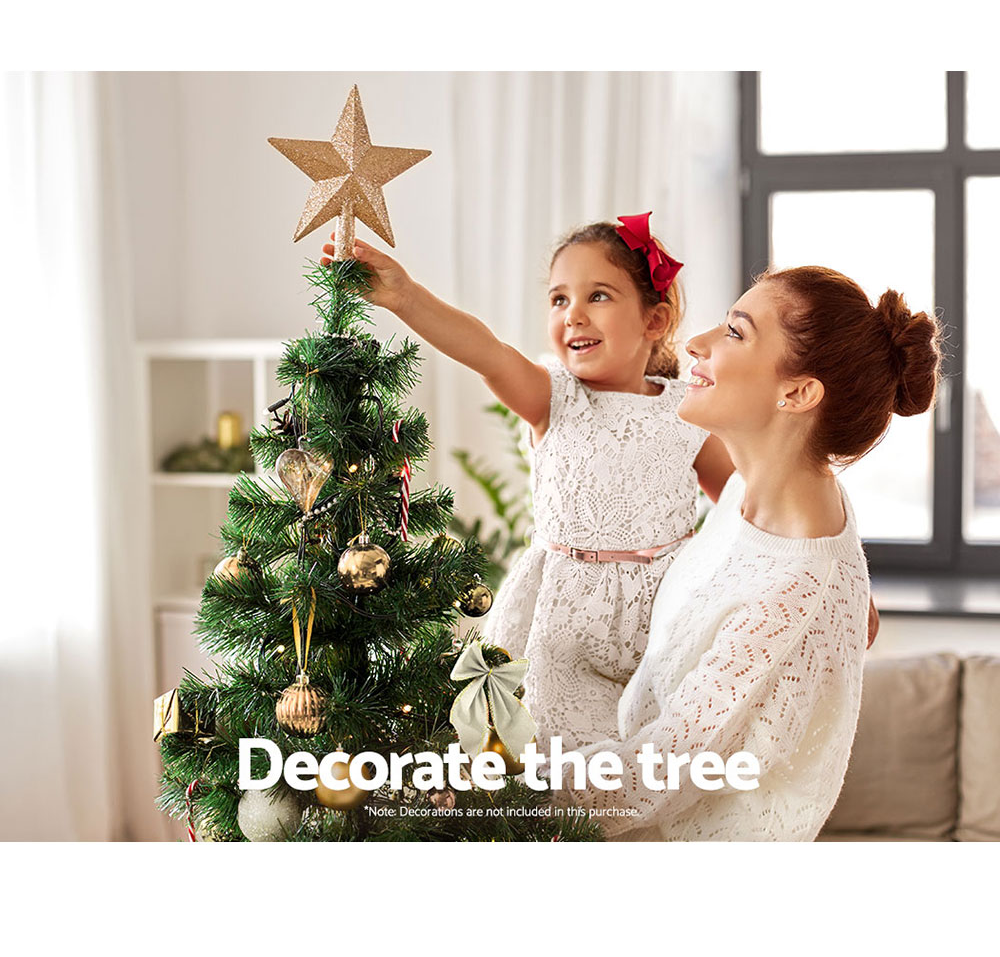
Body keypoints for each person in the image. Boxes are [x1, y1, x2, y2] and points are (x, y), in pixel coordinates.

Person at [551, 266, 941, 841]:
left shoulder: (794, 591)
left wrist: (486, 779)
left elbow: (647, 779)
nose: (695, 343)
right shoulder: (757, 489)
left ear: (798, 393)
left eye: (735, 332)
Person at [321, 214, 735, 753]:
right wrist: (406, 297)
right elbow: (487, 353)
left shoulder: (688, 412)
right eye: (559, 299)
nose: (574, 315)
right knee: (554, 760)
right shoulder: (552, 397)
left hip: (662, 616)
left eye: (598, 296)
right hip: (560, 620)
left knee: (651, 756)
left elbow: (743, 504)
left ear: (654, 319)